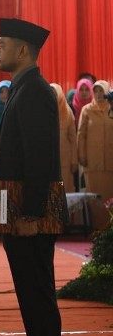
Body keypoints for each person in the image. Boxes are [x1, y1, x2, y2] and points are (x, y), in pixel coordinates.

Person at [0, 17, 65, 336]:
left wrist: (32, 214)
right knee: (31, 295)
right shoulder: (22, 88)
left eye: (2, 43)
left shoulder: (34, 90)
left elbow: (40, 159)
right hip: (16, 209)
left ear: (22, 50)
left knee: (37, 296)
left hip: (29, 216)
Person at [77, 80, 113, 227]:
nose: (98, 94)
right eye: (96, 91)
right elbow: (81, 134)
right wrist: (82, 156)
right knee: (96, 199)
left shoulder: (112, 109)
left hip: (110, 162)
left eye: (101, 91)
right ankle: (97, 230)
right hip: (92, 163)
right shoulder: (87, 110)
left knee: (110, 198)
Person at [50, 84, 78, 193]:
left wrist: (74, 161)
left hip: (66, 161)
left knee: (66, 191)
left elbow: (73, 139)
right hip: (49, 161)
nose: (52, 96)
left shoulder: (68, 112)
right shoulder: (43, 112)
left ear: (60, 95)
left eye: (55, 94)